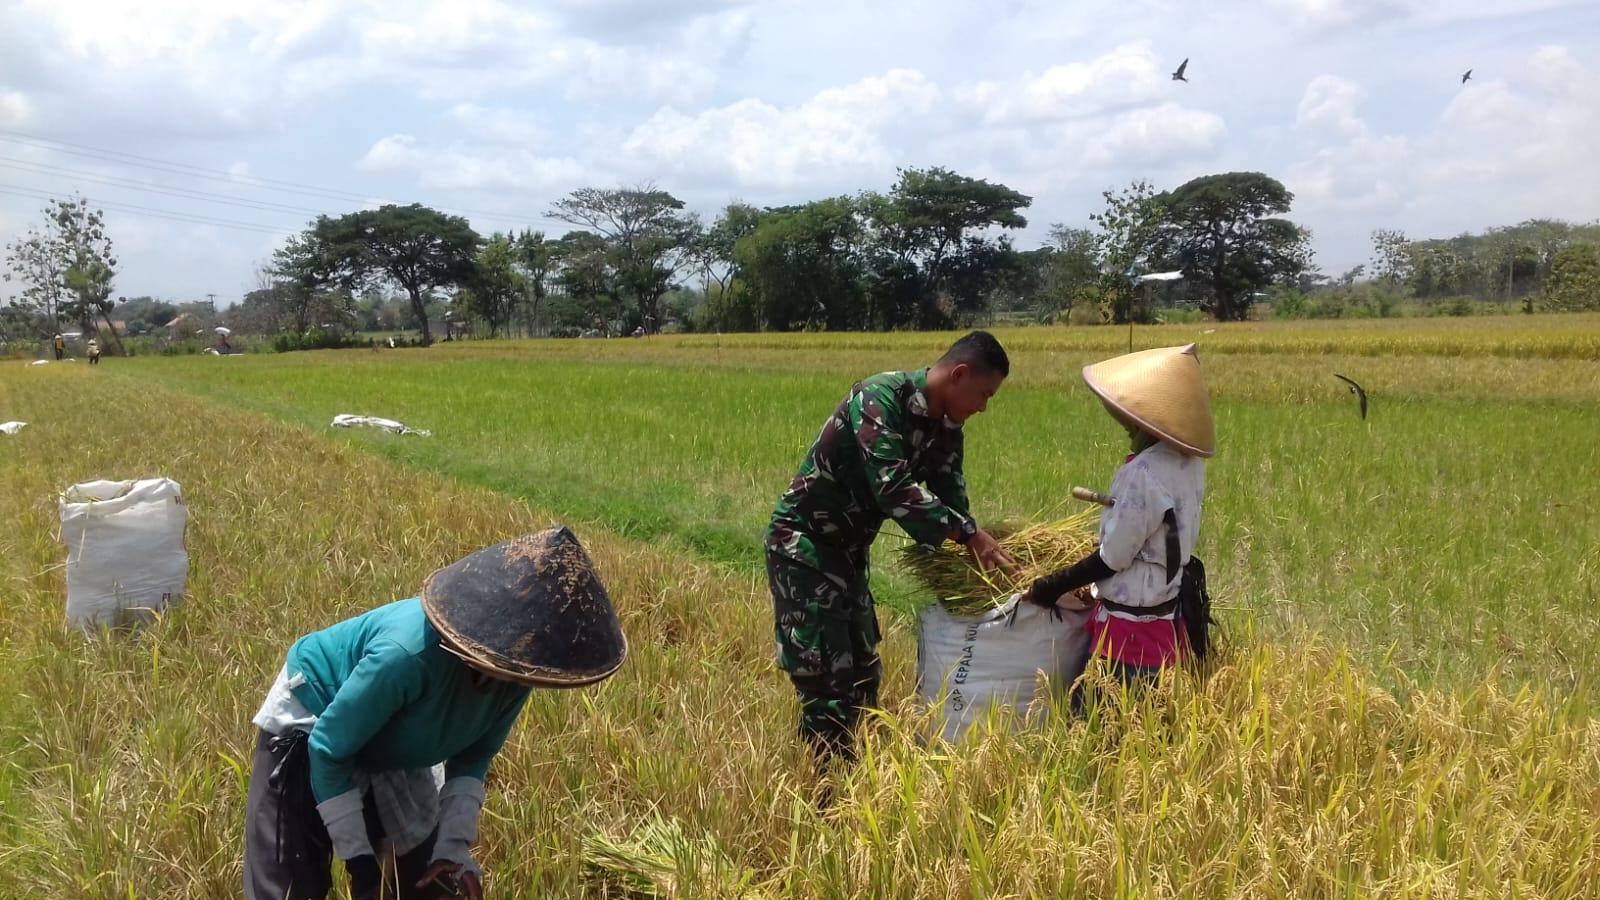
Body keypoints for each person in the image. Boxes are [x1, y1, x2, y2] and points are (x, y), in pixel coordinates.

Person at [243, 526, 628, 900]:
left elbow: (474, 756)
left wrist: (453, 851)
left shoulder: (516, 674)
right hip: (317, 721)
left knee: (424, 879)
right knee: (290, 885)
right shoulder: (407, 655)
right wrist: (359, 864)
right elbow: (328, 748)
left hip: (397, 741)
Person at [764, 330, 1018, 767]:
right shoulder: (878, 398)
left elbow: (950, 494)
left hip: (848, 553)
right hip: (804, 548)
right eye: (983, 394)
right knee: (827, 681)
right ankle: (824, 793)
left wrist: (972, 555)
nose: (983, 407)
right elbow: (893, 489)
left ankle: (849, 778)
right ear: (958, 374)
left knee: (862, 670)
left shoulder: (946, 427)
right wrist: (969, 535)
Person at [1020, 343, 1214, 704]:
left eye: (1132, 419)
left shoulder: (1142, 472)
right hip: (1163, 610)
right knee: (1149, 726)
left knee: (1097, 722)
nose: (1127, 425)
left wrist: (1051, 586)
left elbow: (1113, 558)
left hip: (1130, 626)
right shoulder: (1188, 463)